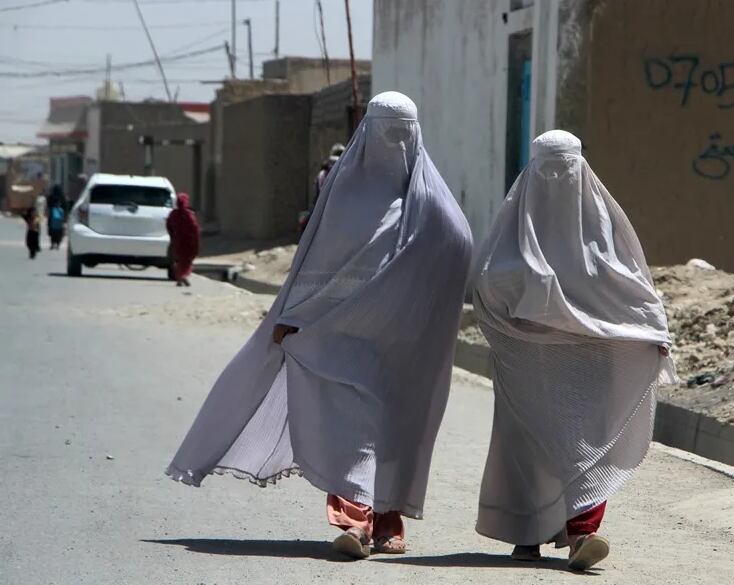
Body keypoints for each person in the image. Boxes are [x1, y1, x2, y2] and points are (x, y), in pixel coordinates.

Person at [166, 92, 472, 559]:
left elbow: (456, 252)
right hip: (340, 337)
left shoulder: (431, 203)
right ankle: (355, 519)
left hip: (401, 345)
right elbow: (315, 262)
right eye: (387, 130)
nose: (394, 141)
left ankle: (386, 521)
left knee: (394, 430)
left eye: (402, 131)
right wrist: (293, 318)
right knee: (352, 427)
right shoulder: (343, 195)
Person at [471, 130, 677, 571]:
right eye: (548, 167)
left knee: (583, 444)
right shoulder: (513, 231)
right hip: (526, 360)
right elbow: (485, 287)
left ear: (580, 169)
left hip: (588, 362)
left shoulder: (603, 229)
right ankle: (527, 533)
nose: (557, 178)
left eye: (564, 167)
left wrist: (652, 331)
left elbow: (632, 288)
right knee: (526, 447)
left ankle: (582, 533)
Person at [165, 192, 200, 287]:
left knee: (178, 259)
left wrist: (173, 236)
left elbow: (168, 226)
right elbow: (195, 229)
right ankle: (182, 276)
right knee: (186, 260)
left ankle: (181, 277)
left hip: (178, 241)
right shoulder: (189, 215)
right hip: (187, 242)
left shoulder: (173, 214)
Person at [47, 185, 65, 250]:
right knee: (59, 232)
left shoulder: (51, 196)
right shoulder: (62, 197)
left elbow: (48, 205)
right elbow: (65, 207)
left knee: (52, 232)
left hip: (52, 217)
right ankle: (58, 244)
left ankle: (52, 244)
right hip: (60, 218)